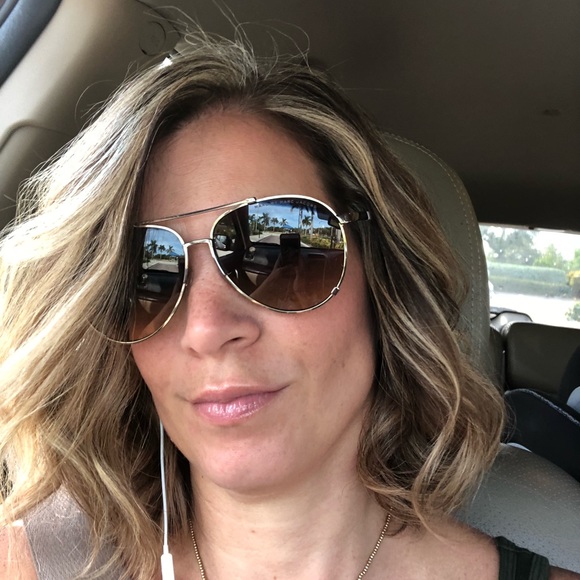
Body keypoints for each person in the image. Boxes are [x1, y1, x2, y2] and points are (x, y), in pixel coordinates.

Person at [0, 31, 577, 580]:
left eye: (280, 252)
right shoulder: (31, 561)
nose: (205, 329)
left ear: (382, 284)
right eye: (147, 274)